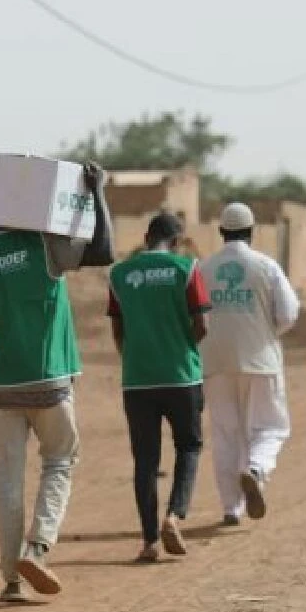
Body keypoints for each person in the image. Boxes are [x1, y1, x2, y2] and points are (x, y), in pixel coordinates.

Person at [0, 165, 113, 602]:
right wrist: (97, 192)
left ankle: (10, 579)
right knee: (60, 460)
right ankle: (38, 547)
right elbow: (103, 250)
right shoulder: (46, 246)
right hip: (50, 380)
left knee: (7, 479)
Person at [107, 212, 210, 562]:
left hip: (137, 380)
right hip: (182, 376)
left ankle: (150, 541)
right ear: (177, 240)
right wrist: (181, 348)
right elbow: (202, 325)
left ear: (146, 236)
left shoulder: (119, 274)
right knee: (189, 448)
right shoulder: (188, 270)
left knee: (145, 461)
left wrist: (135, 356)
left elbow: (118, 332)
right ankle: (175, 515)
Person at [199, 202, 300, 526]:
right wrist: (267, 332)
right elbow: (287, 313)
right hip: (260, 358)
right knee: (271, 426)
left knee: (226, 432)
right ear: (252, 231)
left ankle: (231, 508)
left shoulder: (202, 268)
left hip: (213, 360)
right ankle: (256, 468)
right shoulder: (266, 266)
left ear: (221, 232)